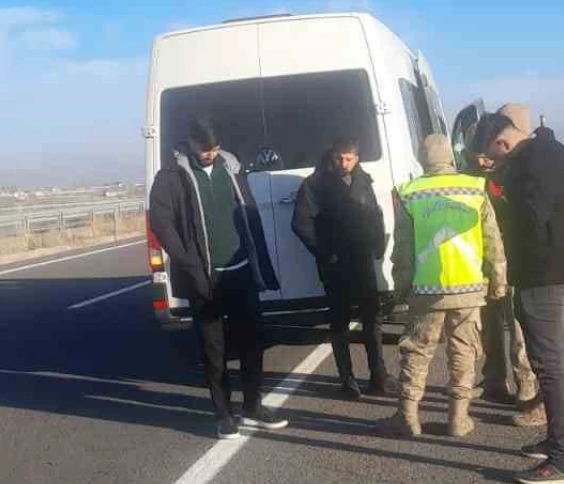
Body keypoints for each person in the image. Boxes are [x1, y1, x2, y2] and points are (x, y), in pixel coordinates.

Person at [149, 116, 288, 440]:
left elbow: (248, 213)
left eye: (214, 148)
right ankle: (224, 414)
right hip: (204, 276)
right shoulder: (171, 177)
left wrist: (258, 258)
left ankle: (253, 405)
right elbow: (162, 223)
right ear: (190, 144)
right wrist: (189, 263)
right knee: (214, 349)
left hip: (241, 270)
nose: (210, 154)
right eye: (204, 149)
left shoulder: (231, 168)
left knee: (253, 342)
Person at [474, 103, 564, 484]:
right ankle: (559, 442)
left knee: (548, 363)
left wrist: (498, 196)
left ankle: (563, 461)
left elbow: (529, 218)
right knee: (555, 361)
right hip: (550, 270)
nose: (492, 163)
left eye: (492, 156)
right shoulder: (547, 151)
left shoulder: (533, 161)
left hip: (543, 274)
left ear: (503, 143)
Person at [375, 134, 507, 438]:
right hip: (469, 287)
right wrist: (499, 281)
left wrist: (401, 290)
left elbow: (403, 251)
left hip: (427, 289)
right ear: (450, 156)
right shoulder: (475, 187)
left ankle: (407, 417)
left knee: (417, 352)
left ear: (422, 158)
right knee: (464, 352)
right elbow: (492, 241)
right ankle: (458, 419)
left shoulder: (409, 193)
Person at [292, 138, 398, 399]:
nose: (344, 163)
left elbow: (375, 214)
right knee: (339, 322)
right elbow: (301, 223)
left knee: (372, 318)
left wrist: (378, 247)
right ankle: (347, 381)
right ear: (332, 156)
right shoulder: (315, 184)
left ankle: (379, 376)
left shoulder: (363, 180)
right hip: (334, 263)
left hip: (362, 259)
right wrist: (324, 251)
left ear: (356, 158)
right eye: (339, 157)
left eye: (349, 158)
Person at [468, 114, 543, 426]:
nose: (484, 161)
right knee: (489, 323)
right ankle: (494, 381)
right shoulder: (472, 178)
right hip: (483, 261)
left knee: (517, 326)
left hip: (511, 258)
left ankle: (526, 387)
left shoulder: (512, 173)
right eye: (479, 156)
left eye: (487, 155)